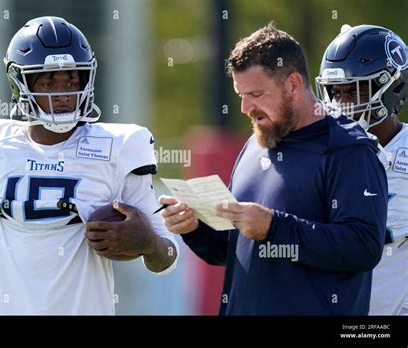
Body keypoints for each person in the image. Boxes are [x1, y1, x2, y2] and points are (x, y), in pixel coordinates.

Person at [0, 16, 178, 315]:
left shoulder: (122, 146)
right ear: (20, 83)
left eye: (71, 81)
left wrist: (150, 244)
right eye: (48, 81)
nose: (62, 94)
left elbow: (167, 258)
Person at [159, 24, 388, 315]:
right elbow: (232, 251)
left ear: (293, 84)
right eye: (240, 94)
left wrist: (274, 227)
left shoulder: (347, 148)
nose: (244, 107)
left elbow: (364, 246)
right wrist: (193, 229)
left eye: (255, 93)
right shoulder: (256, 144)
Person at [316, 24, 407, 315]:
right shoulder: (316, 152)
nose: (342, 103)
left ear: (392, 86)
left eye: (356, 90)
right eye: (336, 92)